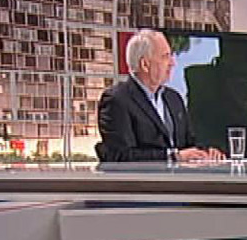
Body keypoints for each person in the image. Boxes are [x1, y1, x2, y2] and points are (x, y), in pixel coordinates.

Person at [96, 29, 225, 162]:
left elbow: (188, 144)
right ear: (145, 64)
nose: (172, 63)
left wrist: (205, 152)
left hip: (181, 175)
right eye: (165, 56)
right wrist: (172, 157)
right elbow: (120, 155)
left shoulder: (173, 98)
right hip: (145, 176)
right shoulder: (117, 100)